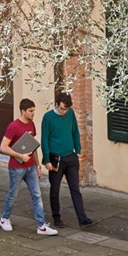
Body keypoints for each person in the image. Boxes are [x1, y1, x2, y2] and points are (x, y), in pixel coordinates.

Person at [0, 99, 57, 236]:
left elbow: (33, 146)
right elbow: (3, 147)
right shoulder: (13, 126)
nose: (33, 113)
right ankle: (4, 219)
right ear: (23, 111)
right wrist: (20, 155)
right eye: (30, 111)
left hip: (31, 167)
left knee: (37, 195)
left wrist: (37, 165)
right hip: (16, 167)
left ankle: (41, 226)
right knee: (13, 194)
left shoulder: (31, 124)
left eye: (34, 110)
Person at [41, 93, 96, 229]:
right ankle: (56, 217)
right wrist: (47, 160)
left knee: (75, 189)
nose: (64, 111)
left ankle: (82, 219)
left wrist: (77, 149)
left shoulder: (70, 113)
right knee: (55, 190)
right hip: (56, 159)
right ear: (57, 104)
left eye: (66, 109)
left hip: (71, 157)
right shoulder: (48, 118)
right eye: (62, 108)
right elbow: (44, 140)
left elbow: (74, 131)